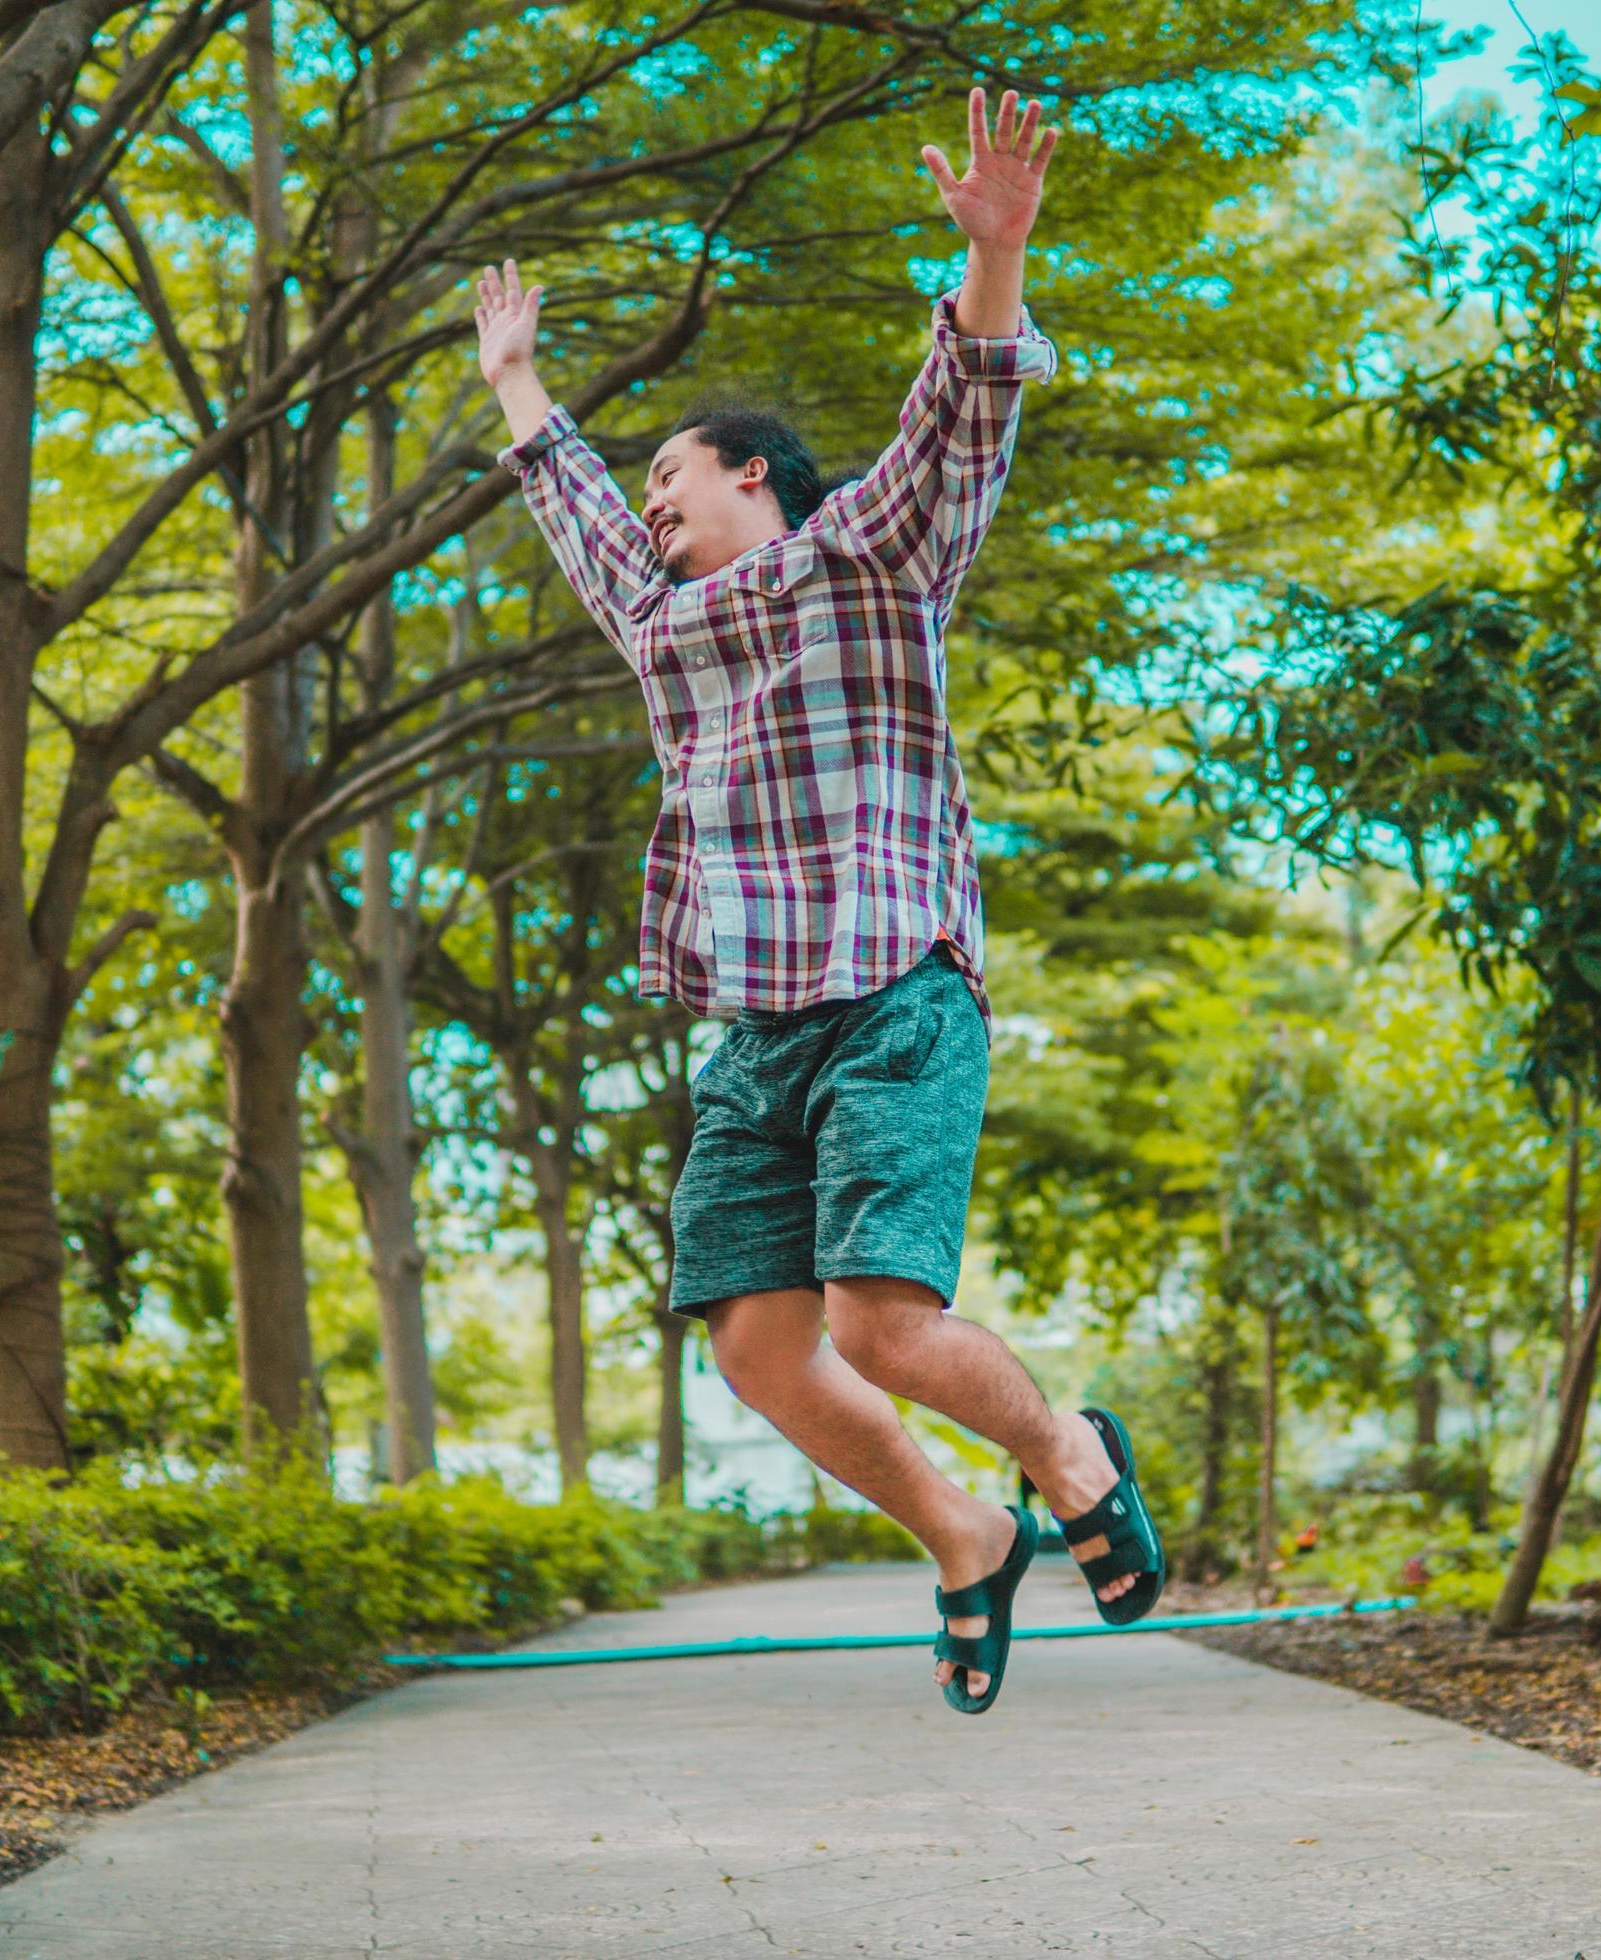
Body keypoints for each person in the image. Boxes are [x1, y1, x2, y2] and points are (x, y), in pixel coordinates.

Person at [471, 87, 1163, 1714]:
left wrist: (992, 260)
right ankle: (967, 1532)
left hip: (894, 994)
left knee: (881, 1325)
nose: (650, 501)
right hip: (756, 1029)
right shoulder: (659, 619)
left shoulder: (869, 554)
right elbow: (569, 502)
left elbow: (959, 419)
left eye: (675, 476)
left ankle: (1070, 1451)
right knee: (758, 1350)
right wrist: (516, 380)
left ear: (761, 482)